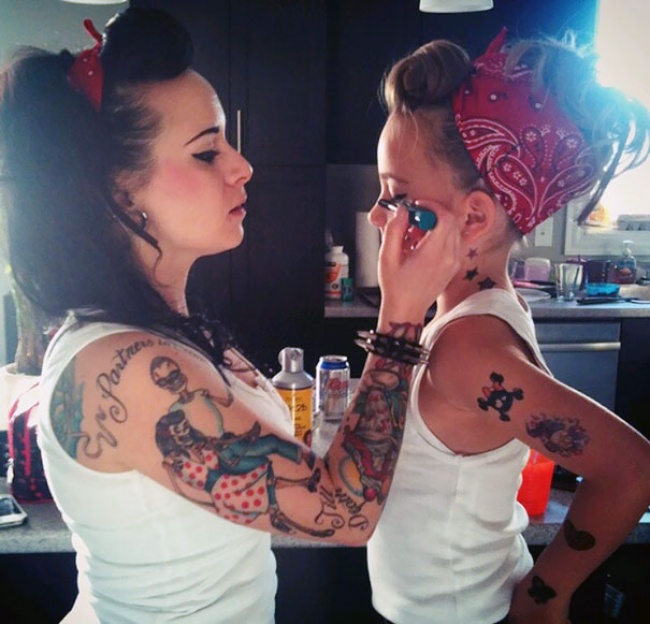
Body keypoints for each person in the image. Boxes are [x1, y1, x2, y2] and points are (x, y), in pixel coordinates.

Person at [0, 7, 462, 623]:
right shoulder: (124, 365)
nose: (242, 166)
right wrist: (401, 316)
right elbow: (345, 513)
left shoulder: (165, 328)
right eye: (206, 152)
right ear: (119, 188)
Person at [365, 28, 650, 624]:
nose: (376, 215)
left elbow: (631, 469)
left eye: (395, 197)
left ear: (473, 218)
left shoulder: (468, 349)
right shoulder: (468, 314)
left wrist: (546, 596)